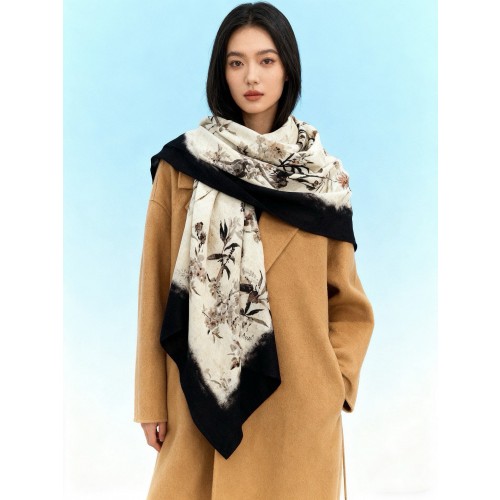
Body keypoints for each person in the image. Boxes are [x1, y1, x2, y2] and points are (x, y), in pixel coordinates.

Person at [134, 2, 374, 499]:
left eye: (266, 60)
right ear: (221, 72)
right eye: (236, 62)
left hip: (299, 409)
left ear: (287, 69)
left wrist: (335, 382)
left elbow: (348, 303)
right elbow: (154, 289)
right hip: (200, 397)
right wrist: (150, 399)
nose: (252, 76)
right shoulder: (184, 165)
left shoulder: (323, 178)